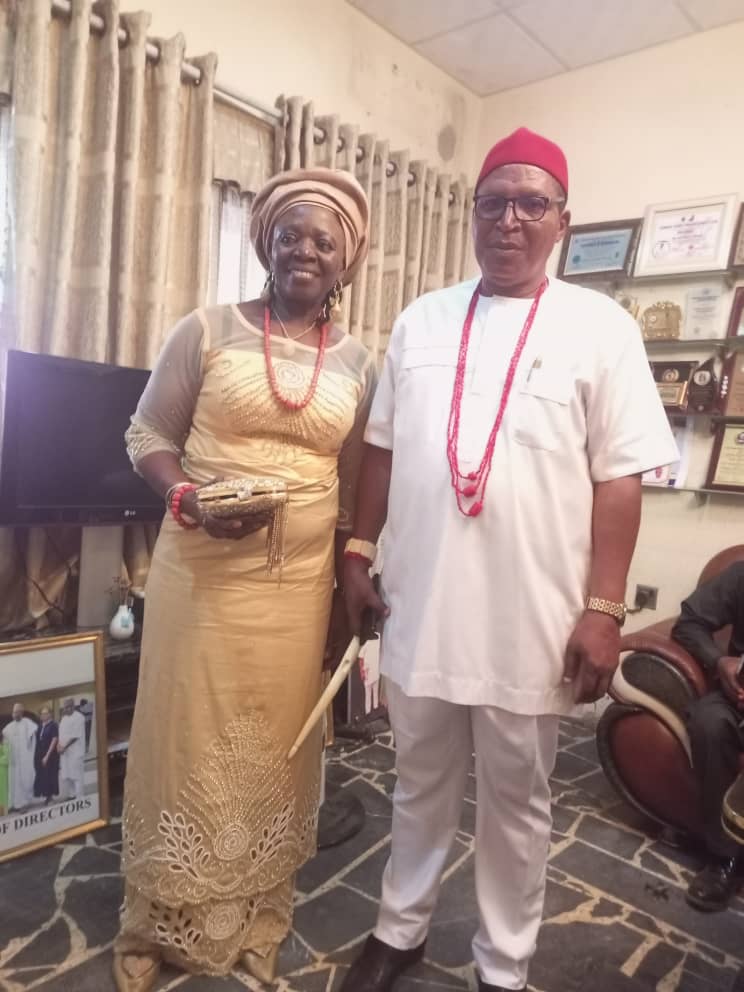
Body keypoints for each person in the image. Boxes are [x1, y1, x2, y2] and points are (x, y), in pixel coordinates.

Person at [341, 127, 679, 992]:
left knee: (517, 802)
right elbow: (380, 449)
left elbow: (619, 479)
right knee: (417, 779)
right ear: (472, 214)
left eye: (532, 203)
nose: (509, 220)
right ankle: (399, 928)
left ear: (563, 219)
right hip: (422, 601)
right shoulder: (421, 318)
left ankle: (504, 964)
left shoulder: (602, 329)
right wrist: (358, 548)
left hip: (531, 616)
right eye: (492, 202)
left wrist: (604, 610)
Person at [114, 168, 374, 992]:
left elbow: (357, 481)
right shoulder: (206, 330)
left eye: (324, 240)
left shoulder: (360, 362)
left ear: (344, 261)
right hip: (200, 573)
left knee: (275, 743)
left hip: (297, 590)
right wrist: (184, 496)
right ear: (267, 243)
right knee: (183, 734)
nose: (306, 250)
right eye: (291, 234)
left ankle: (257, 915)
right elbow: (147, 433)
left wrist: (348, 579)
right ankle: (152, 923)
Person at [671, 561, 744, 910]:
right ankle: (723, 858)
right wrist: (719, 661)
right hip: (738, 696)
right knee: (709, 721)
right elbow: (690, 622)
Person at [2, 703, 37, 812]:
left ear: (22, 712)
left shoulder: (27, 723)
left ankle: (23, 804)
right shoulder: (9, 726)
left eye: (17, 712)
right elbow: (4, 737)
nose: (15, 714)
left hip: (24, 759)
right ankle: (13, 804)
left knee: (24, 780)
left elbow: (33, 734)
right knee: (13, 782)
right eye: (14, 712)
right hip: (13, 759)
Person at [58, 698, 86, 800]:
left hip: (75, 752)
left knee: (77, 776)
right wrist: (59, 746)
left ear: (73, 706)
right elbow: (60, 734)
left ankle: (79, 797)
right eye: (65, 707)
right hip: (65, 753)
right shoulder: (64, 718)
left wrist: (64, 747)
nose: (66, 709)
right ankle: (72, 795)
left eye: (68, 707)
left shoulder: (79, 717)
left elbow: (75, 736)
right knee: (68, 775)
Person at [34, 706, 60, 805]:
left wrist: (47, 756)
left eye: (46, 713)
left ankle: (50, 797)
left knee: (50, 775)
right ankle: (46, 796)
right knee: (43, 776)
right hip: (40, 753)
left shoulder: (53, 725)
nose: (43, 715)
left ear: (50, 714)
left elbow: (54, 740)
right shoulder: (40, 726)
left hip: (51, 754)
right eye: (42, 714)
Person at [0, 731, 9, 817]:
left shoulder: (4, 743)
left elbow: (7, 757)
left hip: (2, 770)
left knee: (2, 791)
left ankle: (2, 812)